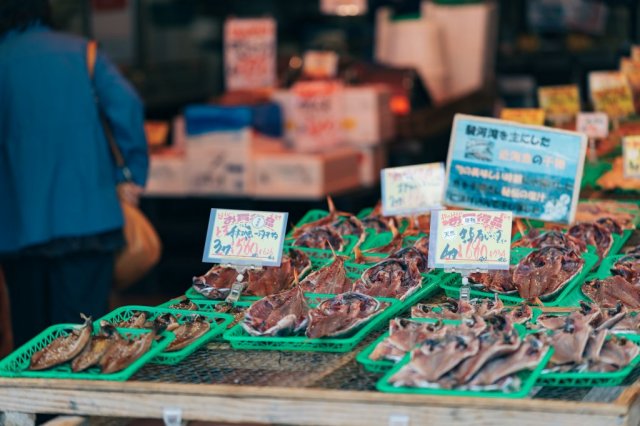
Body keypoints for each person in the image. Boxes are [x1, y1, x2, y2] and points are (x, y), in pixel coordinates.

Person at [0, 0, 149, 347]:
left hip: (18, 225)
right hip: (89, 219)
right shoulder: (83, 53)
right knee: (83, 337)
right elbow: (127, 106)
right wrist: (130, 173)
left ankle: (35, 400)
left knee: (31, 341)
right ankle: (81, 398)